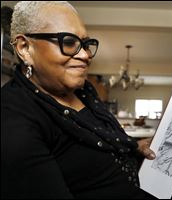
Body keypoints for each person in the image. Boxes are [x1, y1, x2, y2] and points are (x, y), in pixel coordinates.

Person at [1, 1, 156, 199]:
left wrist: (135, 149)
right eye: (68, 42)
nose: (85, 55)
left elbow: (103, 151)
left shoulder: (84, 90)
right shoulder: (12, 118)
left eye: (85, 44)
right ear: (25, 47)